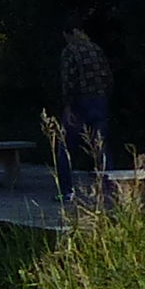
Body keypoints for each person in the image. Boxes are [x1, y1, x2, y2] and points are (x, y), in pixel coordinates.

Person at [53, 10, 112, 200]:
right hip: (100, 100)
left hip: (80, 102)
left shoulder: (70, 51)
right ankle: (107, 189)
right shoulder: (96, 49)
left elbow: (69, 81)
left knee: (65, 147)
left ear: (69, 33)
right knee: (100, 145)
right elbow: (108, 77)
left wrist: (68, 106)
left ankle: (67, 191)